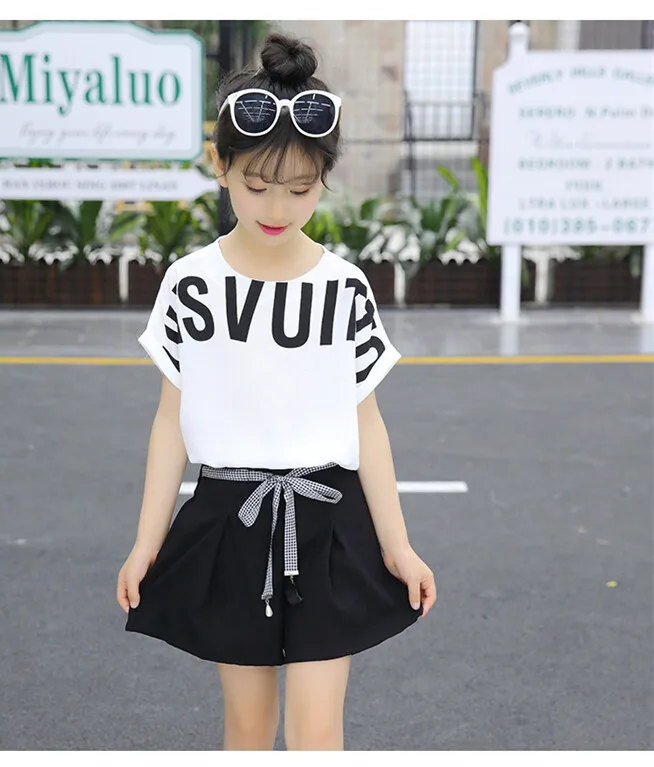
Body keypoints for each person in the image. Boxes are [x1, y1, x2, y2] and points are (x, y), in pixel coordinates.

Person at [117, 32, 437, 751]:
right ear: (219, 165)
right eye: (257, 185)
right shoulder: (191, 284)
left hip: (330, 519)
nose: (277, 207)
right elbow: (170, 422)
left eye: (300, 189)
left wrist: (398, 545)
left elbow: (367, 423)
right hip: (229, 517)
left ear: (324, 178)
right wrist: (146, 542)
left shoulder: (344, 287)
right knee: (249, 725)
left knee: (318, 730)